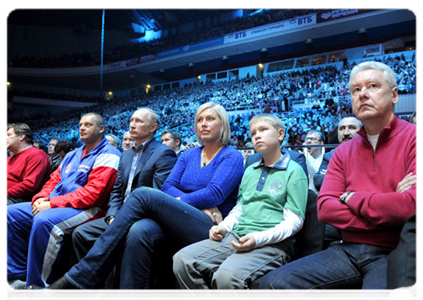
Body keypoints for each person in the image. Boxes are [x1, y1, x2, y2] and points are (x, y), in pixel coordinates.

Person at [25, 102, 244, 300]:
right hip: (190, 214)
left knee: (142, 194)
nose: (203, 124)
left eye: (210, 119)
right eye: (199, 120)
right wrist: (180, 202)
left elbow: (215, 194)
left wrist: (177, 201)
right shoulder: (189, 155)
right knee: (138, 230)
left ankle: (79, 280)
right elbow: (168, 187)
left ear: (223, 123)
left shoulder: (231, 155)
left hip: (211, 224)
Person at [253, 61, 420, 300]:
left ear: (394, 95)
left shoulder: (416, 138)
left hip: (394, 250)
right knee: (271, 285)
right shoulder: (343, 152)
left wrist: (354, 198)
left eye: (372, 86)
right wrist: (389, 203)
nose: (362, 94)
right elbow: (326, 209)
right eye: (355, 90)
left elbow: (412, 206)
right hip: (346, 249)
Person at [173, 113, 308, 300]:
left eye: (263, 130)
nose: (257, 136)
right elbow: (240, 207)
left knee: (226, 278)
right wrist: (224, 227)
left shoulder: (295, 171)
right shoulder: (250, 170)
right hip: (237, 235)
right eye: (253, 133)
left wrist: (258, 238)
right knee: (182, 260)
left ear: (280, 134)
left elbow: (294, 221)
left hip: (273, 244)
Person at [6, 112, 121, 295]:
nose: (82, 128)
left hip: (89, 209)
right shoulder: (72, 154)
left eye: (88, 125)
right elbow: (53, 180)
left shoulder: (109, 154)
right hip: (59, 203)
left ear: (101, 129)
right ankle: (17, 275)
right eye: (81, 124)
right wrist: (41, 198)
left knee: (45, 221)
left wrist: (52, 203)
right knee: (9, 214)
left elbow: (93, 194)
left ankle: (39, 287)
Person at [71, 108, 177, 297]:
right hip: (119, 215)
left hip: (142, 217)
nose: (132, 124)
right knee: (81, 233)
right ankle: (99, 286)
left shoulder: (164, 153)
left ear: (153, 127)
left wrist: (125, 218)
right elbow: (116, 191)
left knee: (129, 237)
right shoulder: (126, 154)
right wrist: (112, 215)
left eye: (139, 121)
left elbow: (158, 195)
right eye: (131, 120)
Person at [5, 123, 51, 206]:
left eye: (8, 135)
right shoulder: (7, 160)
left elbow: (29, 185)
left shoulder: (37, 155)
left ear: (21, 136)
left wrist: (4, 194)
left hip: (19, 199)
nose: (5, 138)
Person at [314, 116, 362, 191]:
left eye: (352, 128)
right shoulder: (329, 156)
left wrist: (332, 174)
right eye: (342, 128)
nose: (346, 133)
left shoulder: (371, 153)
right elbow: (318, 181)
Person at [303, 129, 325, 194]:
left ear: (321, 143)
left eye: (313, 139)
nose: (308, 141)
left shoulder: (327, 158)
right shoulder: (301, 157)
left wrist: (305, 152)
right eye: (307, 139)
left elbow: (317, 172)